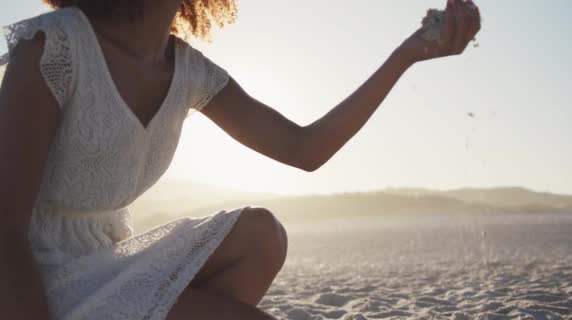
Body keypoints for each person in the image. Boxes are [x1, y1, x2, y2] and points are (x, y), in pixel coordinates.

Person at [0, 0, 481, 319]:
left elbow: (303, 148)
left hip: (103, 261)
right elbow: (4, 231)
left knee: (260, 235)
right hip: (32, 280)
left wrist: (408, 54)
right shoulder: (56, 46)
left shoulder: (188, 69)